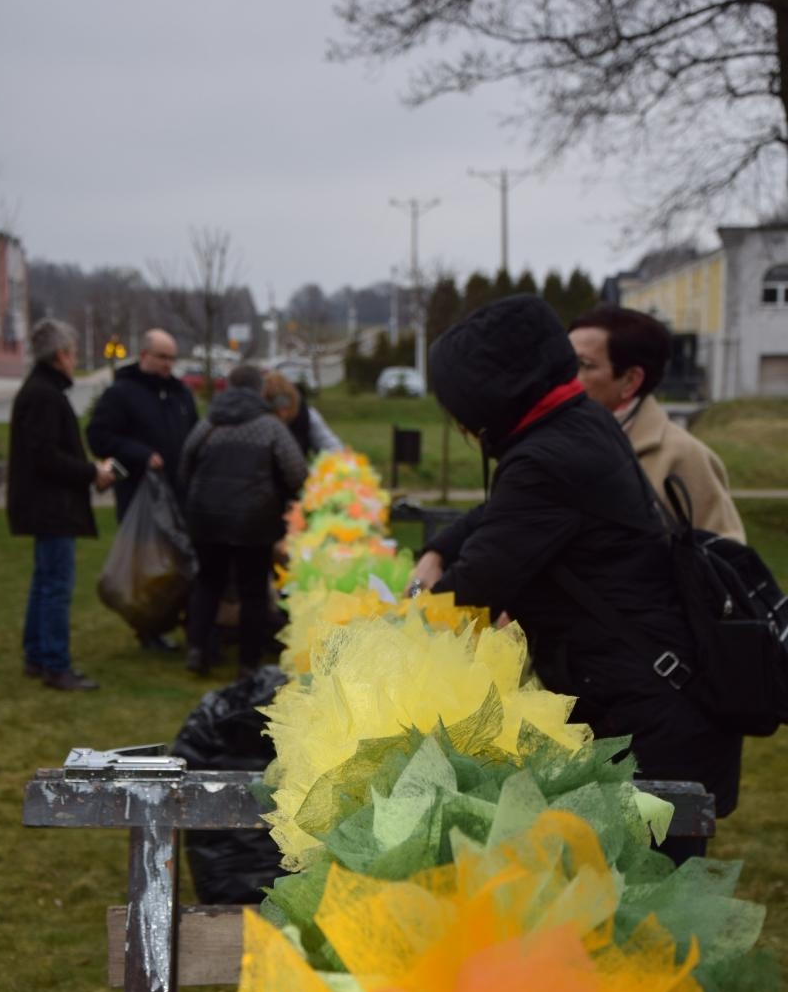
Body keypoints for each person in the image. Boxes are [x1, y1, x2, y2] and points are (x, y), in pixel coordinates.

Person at [409, 295, 742, 860]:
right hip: (648, 700)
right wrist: (440, 547)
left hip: (649, 722)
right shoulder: (574, 423)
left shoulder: (547, 457)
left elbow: (475, 589)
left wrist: (418, 599)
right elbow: (501, 515)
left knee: (642, 912)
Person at [568, 305, 745, 541]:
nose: (565, 375)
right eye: (564, 361)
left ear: (630, 380)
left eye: (583, 365)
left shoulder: (683, 456)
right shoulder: (554, 439)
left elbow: (725, 556)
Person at [178, 363, 308, 677]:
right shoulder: (270, 425)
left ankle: (198, 650)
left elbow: (184, 465)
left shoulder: (208, 422)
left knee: (208, 583)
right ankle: (248, 663)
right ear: (258, 390)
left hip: (205, 518)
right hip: (254, 520)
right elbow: (297, 472)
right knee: (252, 591)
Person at [7, 318, 116, 691]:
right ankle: (55, 663)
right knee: (55, 586)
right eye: (71, 353)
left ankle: (37, 657)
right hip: (52, 507)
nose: (73, 360)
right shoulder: (44, 395)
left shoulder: (40, 390)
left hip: (46, 505)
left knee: (44, 582)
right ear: (60, 355)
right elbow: (46, 456)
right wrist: (92, 472)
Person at [87, 327, 198, 650]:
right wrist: (140, 455)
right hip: (141, 497)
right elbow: (99, 436)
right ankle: (148, 628)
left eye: (172, 358)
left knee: (181, 564)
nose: (168, 364)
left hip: (179, 494)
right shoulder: (122, 394)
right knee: (148, 569)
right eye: (162, 357)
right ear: (145, 355)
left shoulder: (180, 394)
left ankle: (182, 623)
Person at [263, 371, 343, 456]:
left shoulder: (307, 415)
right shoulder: (259, 421)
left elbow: (333, 448)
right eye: (276, 408)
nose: (283, 414)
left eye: (286, 407)